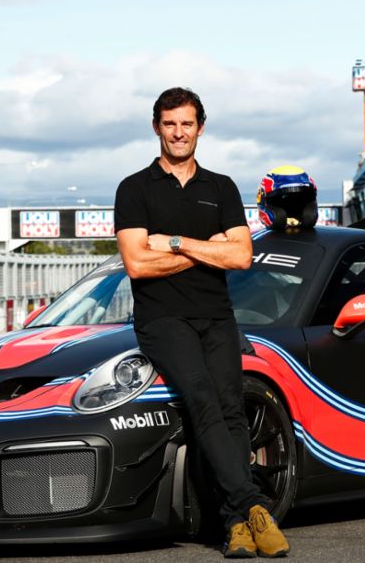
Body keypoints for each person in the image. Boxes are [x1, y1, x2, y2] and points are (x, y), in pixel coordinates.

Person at [114, 87, 290, 558]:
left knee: (232, 409)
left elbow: (243, 255)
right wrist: (205, 249)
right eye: (170, 124)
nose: (178, 133)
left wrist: (172, 243)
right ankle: (253, 506)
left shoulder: (222, 187)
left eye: (186, 124)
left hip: (216, 317)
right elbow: (137, 265)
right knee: (203, 399)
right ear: (157, 127)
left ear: (200, 128)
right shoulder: (134, 188)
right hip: (162, 319)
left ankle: (234, 524)